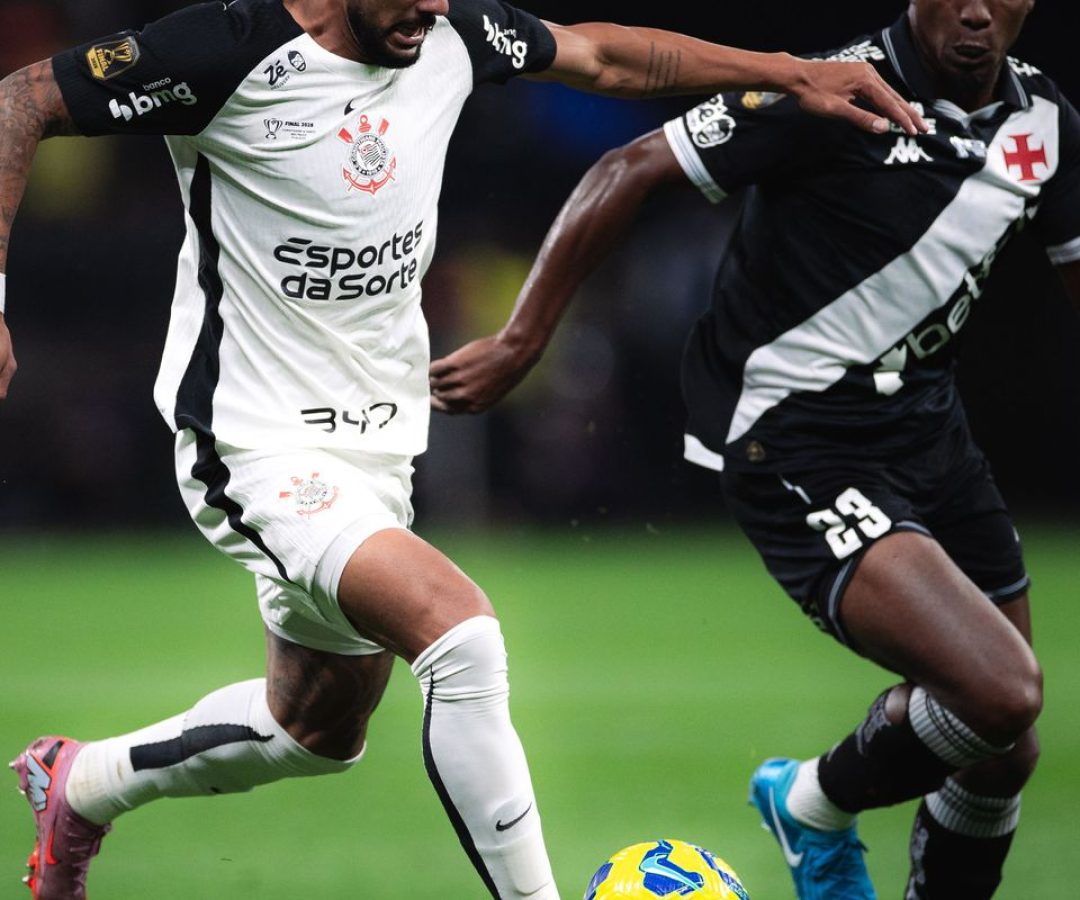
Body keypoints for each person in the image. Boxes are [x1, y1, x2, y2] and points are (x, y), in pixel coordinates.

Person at [0, 1, 929, 898]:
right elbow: (23, 98)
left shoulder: (448, 32)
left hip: (378, 443)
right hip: (253, 440)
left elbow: (609, 57)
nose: (432, 8)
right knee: (462, 634)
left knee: (315, 726)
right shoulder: (222, 51)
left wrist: (791, 73)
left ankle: (79, 787)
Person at [429, 0, 1080, 896]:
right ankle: (810, 803)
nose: (975, 10)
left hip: (934, 439)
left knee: (1005, 749)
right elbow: (630, 165)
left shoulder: (1045, 120)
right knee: (1001, 694)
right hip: (797, 438)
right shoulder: (830, 92)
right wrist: (522, 338)